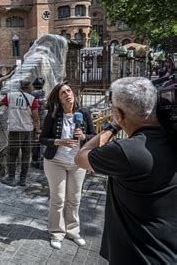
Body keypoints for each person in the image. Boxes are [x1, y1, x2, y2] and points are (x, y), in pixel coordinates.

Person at [75, 77, 177, 264]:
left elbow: (81, 156)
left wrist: (112, 126)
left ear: (118, 113)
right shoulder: (171, 138)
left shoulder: (126, 152)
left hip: (138, 256)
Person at [39, 83, 96, 250]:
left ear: (74, 93)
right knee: (58, 199)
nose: (67, 94)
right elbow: (43, 139)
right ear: (59, 98)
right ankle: (57, 232)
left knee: (74, 199)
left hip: (78, 163)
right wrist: (59, 141)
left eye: (69, 91)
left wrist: (84, 136)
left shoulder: (84, 113)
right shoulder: (53, 115)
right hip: (55, 162)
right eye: (63, 93)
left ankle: (73, 230)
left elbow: (94, 136)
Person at [0, 80, 40, 186]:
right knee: (26, 155)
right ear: (27, 87)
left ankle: (11, 178)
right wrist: (37, 131)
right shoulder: (33, 99)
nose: (32, 88)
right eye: (31, 86)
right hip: (27, 132)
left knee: (12, 155)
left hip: (14, 131)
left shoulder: (10, 96)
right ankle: (22, 180)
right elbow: (36, 118)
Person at [31, 77, 47, 169]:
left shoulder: (34, 93)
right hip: (43, 118)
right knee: (42, 141)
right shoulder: (42, 92)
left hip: (36, 119)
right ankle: (42, 161)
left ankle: (35, 160)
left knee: (35, 140)